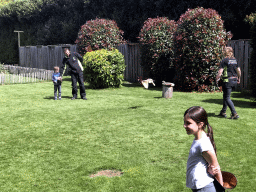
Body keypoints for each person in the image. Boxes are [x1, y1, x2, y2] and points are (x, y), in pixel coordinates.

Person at [184, 106, 223, 192]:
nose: (184, 126)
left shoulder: (203, 144)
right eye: (184, 122)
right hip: (199, 186)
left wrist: (221, 189)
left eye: (188, 123)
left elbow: (216, 168)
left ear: (200, 124)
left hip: (204, 187)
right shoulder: (199, 139)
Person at [216, 46, 241, 119]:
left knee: (227, 98)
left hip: (227, 80)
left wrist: (217, 78)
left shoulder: (225, 60)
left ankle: (234, 113)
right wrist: (239, 78)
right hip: (234, 80)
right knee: (225, 96)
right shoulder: (235, 60)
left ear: (226, 52)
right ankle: (223, 112)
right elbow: (238, 70)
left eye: (224, 51)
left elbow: (220, 71)